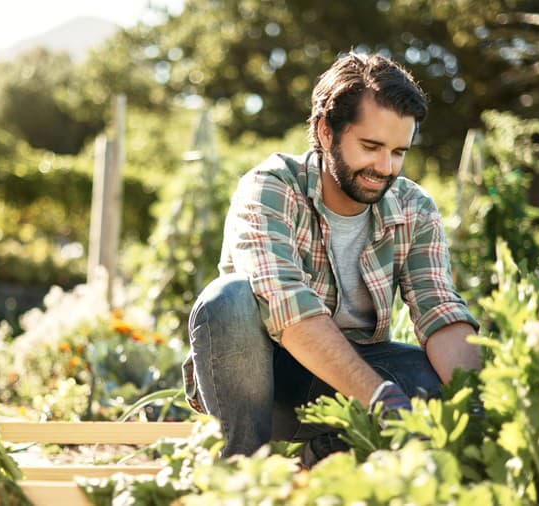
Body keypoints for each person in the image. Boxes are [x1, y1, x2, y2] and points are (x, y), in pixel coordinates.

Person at [182, 52, 481, 462]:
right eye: (371, 146)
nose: (385, 166)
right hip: (267, 387)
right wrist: (379, 397)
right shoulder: (270, 188)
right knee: (228, 299)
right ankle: (243, 468)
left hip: (349, 384)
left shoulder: (414, 207)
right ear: (326, 132)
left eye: (398, 151)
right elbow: (289, 309)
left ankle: (331, 449)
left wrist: (479, 403)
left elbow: (439, 308)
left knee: (433, 377)